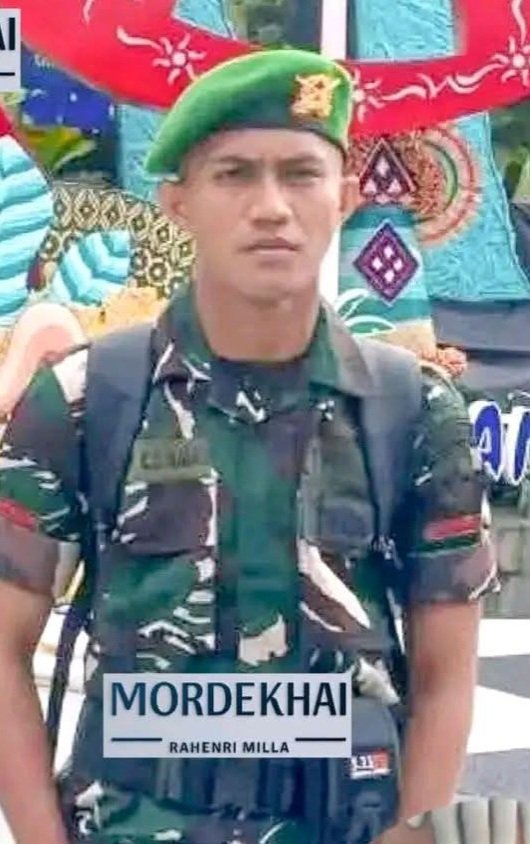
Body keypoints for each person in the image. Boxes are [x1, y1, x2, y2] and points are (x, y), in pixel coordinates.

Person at [0, 48, 497, 844]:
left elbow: (445, 677)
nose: (271, 207)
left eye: (301, 174)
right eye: (234, 175)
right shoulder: (90, 400)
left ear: (344, 195)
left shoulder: (413, 410)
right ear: (177, 201)